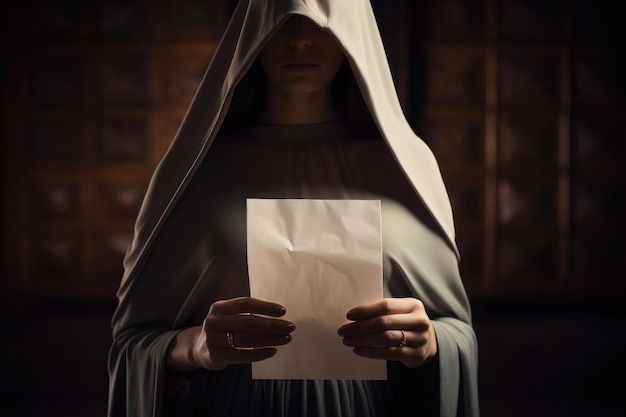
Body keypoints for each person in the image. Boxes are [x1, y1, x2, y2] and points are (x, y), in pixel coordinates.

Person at [107, 0, 479, 416]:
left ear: (351, 28)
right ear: (255, 30)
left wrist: (430, 343)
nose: (300, 40)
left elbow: (454, 331)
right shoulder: (196, 171)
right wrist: (193, 346)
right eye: (284, 20)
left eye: (319, 22)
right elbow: (132, 343)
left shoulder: (406, 166)